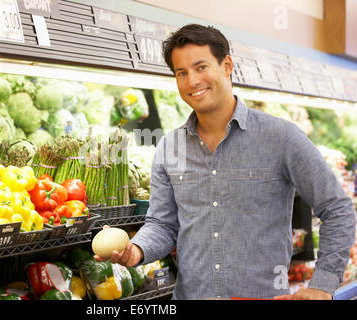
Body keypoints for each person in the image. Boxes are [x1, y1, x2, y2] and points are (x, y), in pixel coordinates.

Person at [94, 24, 356, 300]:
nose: (192, 81)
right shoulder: (169, 147)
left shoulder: (281, 137)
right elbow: (163, 224)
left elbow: (336, 208)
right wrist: (136, 250)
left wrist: (322, 284)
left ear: (227, 65)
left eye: (201, 67)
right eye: (181, 73)